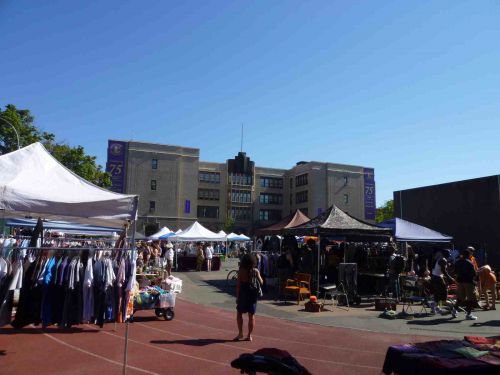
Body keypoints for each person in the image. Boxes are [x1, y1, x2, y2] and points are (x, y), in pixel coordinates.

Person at [235, 254, 263, 342]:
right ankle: (249, 335)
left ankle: (240, 333)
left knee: (239, 313)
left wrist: (237, 296)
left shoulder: (241, 270)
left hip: (243, 293)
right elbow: (261, 282)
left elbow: (238, 285)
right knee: (251, 315)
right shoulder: (255, 271)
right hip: (252, 294)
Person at [454, 248, 479, 320]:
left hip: (460, 281)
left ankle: (454, 310)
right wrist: (476, 281)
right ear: (468, 255)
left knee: (460, 298)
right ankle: (468, 314)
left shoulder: (457, 262)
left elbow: (455, 272)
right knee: (471, 299)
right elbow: (474, 273)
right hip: (468, 282)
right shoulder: (469, 262)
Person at [430, 250, 456, 316]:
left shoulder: (440, 259)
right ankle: (453, 308)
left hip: (435, 277)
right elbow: (444, 271)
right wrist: (450, 278)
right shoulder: (443, 260)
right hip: (438, 278)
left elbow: (441, 271)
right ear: (445, 254)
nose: (449, 255)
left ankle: (435, 307)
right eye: (448, 254)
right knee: (443, 295)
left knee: (437, 293)